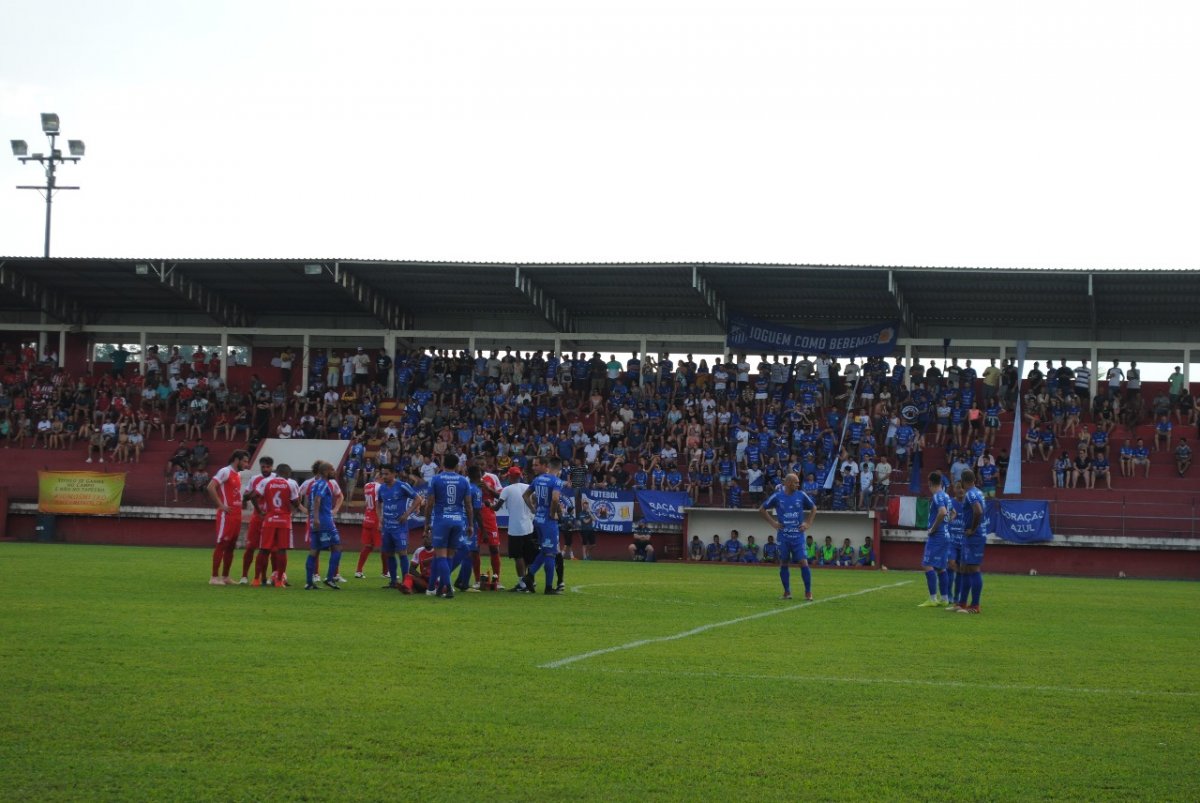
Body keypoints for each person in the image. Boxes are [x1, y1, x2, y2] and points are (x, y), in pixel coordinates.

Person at [759, 473, 817, 601]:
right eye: (796, 482)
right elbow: (762, 509)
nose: (798, 485)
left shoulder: (801, 495)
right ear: (789, 483)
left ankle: (808, 592)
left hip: (798, 536)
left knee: (803, 562)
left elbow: (813, 508)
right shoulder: (777, 496)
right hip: (783, 536)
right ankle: (787, 592)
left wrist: (808, 523)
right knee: (784, 562)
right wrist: (773, 523)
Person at [424, 453, 473, 598]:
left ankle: (448, 588)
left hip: (441, 520)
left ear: (443, 464)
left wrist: (427, 523)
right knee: (450, 556)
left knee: (441, 557)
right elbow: (468, 505)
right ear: (457, 465)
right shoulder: (464, 481)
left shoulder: (436, 479)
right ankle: (440, 589)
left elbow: (430, 503)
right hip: (458, 520)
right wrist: (470, 524)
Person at [376, 464, 424, 591]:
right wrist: (380, 518)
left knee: (402, 553)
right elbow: (378, 503)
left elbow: (418, 499)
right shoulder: (381, 488)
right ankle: (393, 581)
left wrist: (407, 514)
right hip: (387, 527)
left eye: (386, 474)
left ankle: (405, 581)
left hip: (399, 527)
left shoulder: (402, 486)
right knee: (389, 554)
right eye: (382, 474)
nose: (384, 476)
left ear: (393, 474)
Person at [206, 449, 251, 585]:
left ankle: (225, 576)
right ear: (236, 460)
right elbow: (210, 487)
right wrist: (221, 505)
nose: (246, 464)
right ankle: (214, 577)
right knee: (222, 544)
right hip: (227, 515)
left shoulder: (237, 475)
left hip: (236, 514)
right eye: (244, 461)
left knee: (231, 546)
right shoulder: (225, 471)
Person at [256, 463, 303, 587]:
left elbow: (254, 496)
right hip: (284, 520)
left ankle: (259, 579)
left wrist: (259, 510)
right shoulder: (291, 483)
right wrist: (295, 508)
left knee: (264, 549)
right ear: (287, 473)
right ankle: (278, 580)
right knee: (282, 550)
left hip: (269, 518)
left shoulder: (266, 481)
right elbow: (296, 502)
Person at [523, 457, 565, 595]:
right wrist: (553, 513)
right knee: (551, 553)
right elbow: (554, 498)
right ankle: (548, 587)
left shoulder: (538, 479)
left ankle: (529, 575)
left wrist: (533, 509)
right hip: (548, 521)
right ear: (558, 469)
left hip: (538, 519)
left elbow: (525, 495)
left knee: (544, 550)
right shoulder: (557, 481)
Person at [304, 460, 345, 590]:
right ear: (326, 472)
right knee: (337, 548)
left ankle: (309, 582)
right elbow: (317, 500)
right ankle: (329, 578)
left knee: (314, 551)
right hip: (324, 521)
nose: (334, 471)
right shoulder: (323, 484)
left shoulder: (314, 484)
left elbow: (311, 501)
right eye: (332, 469)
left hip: (315, 521)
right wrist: (316, 518)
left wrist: (313, 518)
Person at [495, 466, 535, 592]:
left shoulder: (507, 489)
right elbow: (534, 502)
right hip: (529, 526)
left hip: (515, 528)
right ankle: (530, 581)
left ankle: (522, 583)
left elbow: (497, 507)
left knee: (518, 556)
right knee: (528, 556)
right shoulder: (528, 487)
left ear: (510, 476)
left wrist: (489, 505)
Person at [952, 469, 986, 614]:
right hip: (969, 536)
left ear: (963, 481)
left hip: (974, 536)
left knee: (973, 569)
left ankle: (975, 606)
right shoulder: (977, 492)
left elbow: (978, 511)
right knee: (964, 568)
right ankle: (962, 603)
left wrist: (972, 529)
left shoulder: (971, 494)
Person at [917, 472, 952, 607]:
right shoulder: (946, 496)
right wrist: (945, 525)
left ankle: (932, 599)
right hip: (945, 535)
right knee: (941, 567)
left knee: (927, 564)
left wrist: (933, 528)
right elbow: (952, 513)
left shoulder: (937, 496)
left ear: (930, 483)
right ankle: (944, 599)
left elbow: (943, 512)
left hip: (937, 536)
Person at [239, 456, 276, 585]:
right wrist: (252, 495)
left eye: (267, 467)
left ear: (272, 467)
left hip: (272, 518)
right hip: (257, 517)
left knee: (271, 550)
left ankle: (270, 577)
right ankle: (244, 576)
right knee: (250, 547)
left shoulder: (276, 479)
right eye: (263, 467)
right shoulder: (255, 479)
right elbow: (245, 496)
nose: (265, 469)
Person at [353, 472, 383, 580]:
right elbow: (378, 504)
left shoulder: (367, 486)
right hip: (376, 518)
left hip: (367, 517)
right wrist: (381, 520)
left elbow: (367, 503)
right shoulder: (379, 487)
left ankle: (358, 570)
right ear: (380, 478)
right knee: (385, 546)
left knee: (368, 546)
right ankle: (385, 572)